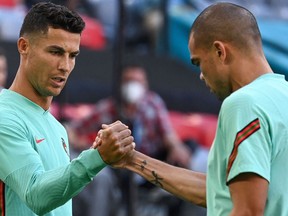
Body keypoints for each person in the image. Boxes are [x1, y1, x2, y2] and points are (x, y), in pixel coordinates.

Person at [95, 2, 288, 216]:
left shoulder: (243, 103)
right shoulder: (283, 95)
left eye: (198, 63)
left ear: (219, 51)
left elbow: (248, 211)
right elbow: (219, 193)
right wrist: (132, 160)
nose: (201, 75)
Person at [0, 2, 134, 216]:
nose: (65, 66)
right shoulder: (4, 117)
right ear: (24, 46)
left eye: (72, 56)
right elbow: (36, 194)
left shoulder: (57, 128)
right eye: (55, 52)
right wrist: (97, 157)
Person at [68, 64, 197, 216]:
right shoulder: (108, 108)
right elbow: (73, 129)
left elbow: (168, 134)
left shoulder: (152, 104)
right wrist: (81, 143)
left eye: (138, 81)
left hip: (149, 161)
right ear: (120, 84)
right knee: (104, 177)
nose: (133, 86)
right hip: (117, 167)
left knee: (190, 156)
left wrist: (176, 147)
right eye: (129, 81)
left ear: (145, 85)